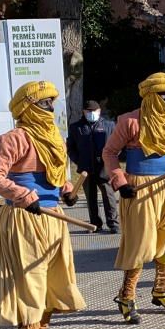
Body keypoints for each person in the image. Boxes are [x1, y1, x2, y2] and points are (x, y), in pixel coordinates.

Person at [0, 81, 86, 329]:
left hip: (54, 217)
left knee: (52, 284)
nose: (50, 109)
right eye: (44, 104)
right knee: (31, 284)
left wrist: (66, 189)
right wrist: (24, 196)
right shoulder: (13, 138)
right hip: (24, 219)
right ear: (28, 107)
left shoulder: (54, 136)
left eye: (52, 103)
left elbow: (54, 174)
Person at [102, 73, 165, 324]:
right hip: (139, 187)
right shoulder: (129, 121)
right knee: (141, 244)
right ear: (151, 96)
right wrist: (120, 182)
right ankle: (126, 296)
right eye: (164, 94)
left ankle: (162, 289)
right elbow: (109, 153)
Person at [67, 99, 119, 233]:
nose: (91, 113)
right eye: (88, 111)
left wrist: (111, 159)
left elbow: (117, 145)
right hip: (86, 168)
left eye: (94, 111)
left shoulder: (109, 125)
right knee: (91, 198)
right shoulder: (75, 127)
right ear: (83, 112)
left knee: (109, 196)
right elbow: (70, 148)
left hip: (104, 168)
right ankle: (95, 223)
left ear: (99, 111)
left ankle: (113, 223)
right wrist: (79, 161)